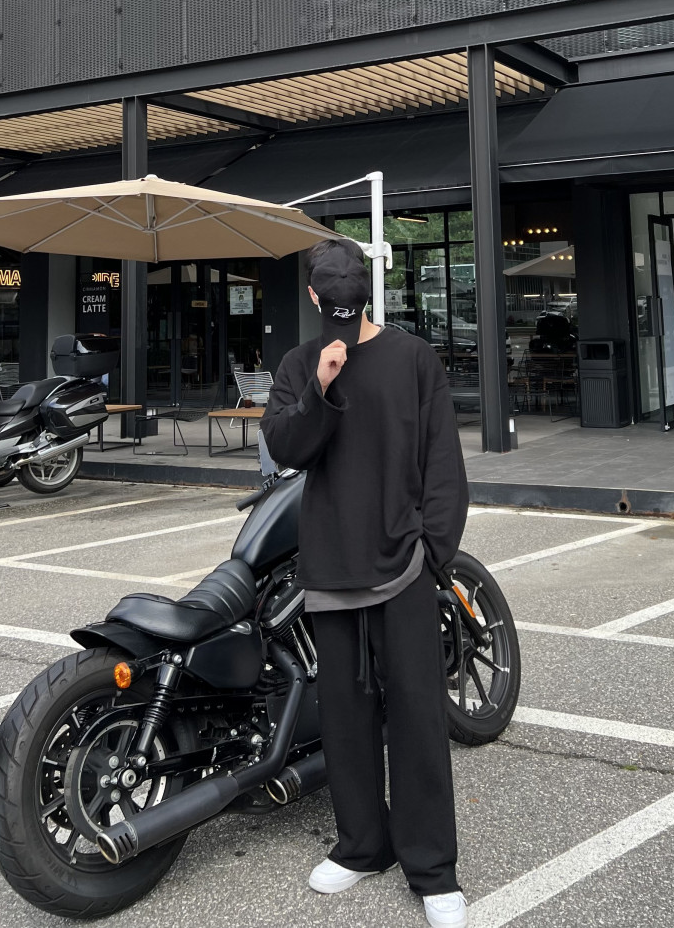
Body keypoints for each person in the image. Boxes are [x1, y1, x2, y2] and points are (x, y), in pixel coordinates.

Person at [260, 237, 470, 928]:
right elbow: (287, 449)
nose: (339, 313)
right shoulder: (299, 364)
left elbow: (444, 464)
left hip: (403, 566)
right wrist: (320, 388)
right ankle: (361, 846)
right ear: (314, 297)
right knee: (345, 720)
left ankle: (432, 868)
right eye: (331, 302)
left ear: (363, 293)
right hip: (330, 568)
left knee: (417, 716)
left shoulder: (413, 358)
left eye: (347, 302)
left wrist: (432, 553)